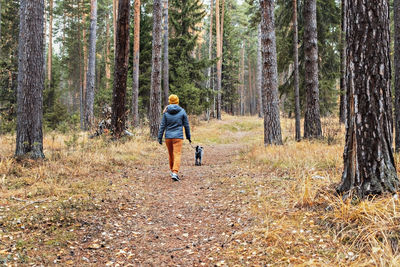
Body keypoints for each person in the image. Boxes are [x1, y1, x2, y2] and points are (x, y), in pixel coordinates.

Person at [158, 94, 191, 181]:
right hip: (178, 137)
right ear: (177, 101)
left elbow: (162, 126)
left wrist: (159, 137)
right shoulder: (182, 111)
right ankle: (175, 172)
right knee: (177, 154)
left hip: (168, 137)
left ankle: (172, 171)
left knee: (171, 154)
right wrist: (188, 136)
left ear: (170, 101)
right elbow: (186, 125)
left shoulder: (166, 112)